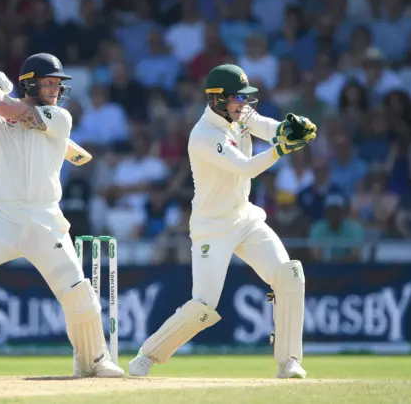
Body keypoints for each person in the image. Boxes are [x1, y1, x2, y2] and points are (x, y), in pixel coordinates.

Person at [0, 54, 124, 378]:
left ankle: (94, 359)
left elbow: (7, 108)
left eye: (57, 83)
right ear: (31, 83)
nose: (54, 88)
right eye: (48, 82)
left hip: (44, 219)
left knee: (77, 290)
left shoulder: (59, 117)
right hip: (2, 216)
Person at [128, 64, 317, 379]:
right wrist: (282, 149)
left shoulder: (239, 115)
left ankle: (289, 362)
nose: (243, 104)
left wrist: (284, 129)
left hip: (245, 217)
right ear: (217, 99)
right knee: (203, 305)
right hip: (212, 228)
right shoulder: (204, 135)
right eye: (237, 99)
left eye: (245, 98)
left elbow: (264, 126)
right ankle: (148, 355)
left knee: (289, 276)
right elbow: (245, 167)